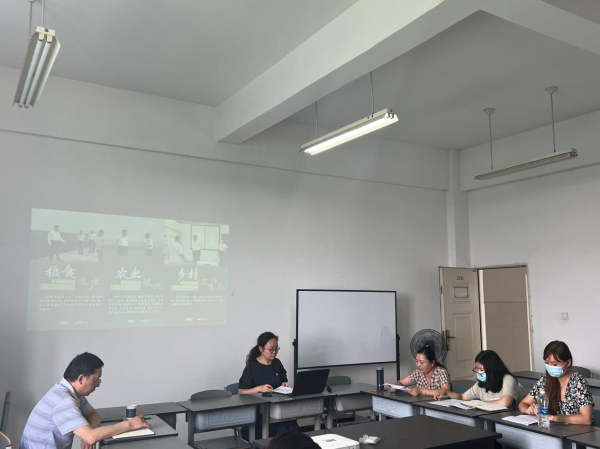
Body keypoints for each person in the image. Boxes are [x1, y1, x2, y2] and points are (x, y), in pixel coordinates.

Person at [20, 352, 150, 449]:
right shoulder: (63, 401)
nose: (98, 384)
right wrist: (130, 424)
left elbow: (93, 415)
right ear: (81, 378)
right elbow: (91, 436)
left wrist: (88, 434)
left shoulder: (71, 393)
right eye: (96, 379)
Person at [518, 341, 594, 425]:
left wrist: (553, 417)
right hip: (554, 429)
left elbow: (586, 419)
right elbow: (523, 404)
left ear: (568, 363)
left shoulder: (578, 381)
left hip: (578, 431)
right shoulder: (545, 380)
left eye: (554, 364)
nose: (550, 367)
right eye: (547, 363)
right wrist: (528, 409)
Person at [239, 332, 297, 439]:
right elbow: (241, 392)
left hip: (278, 408)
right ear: (261, 349)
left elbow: (283, 381)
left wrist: (284, 384)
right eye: (271, 349)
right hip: (259, 413)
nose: (274, 352)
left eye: (276, 348)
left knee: (292, 428)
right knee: (285, 432)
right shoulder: (252, 367)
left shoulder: (277, 363)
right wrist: (259, 388)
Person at [432, 350, 522, 408]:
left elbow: (506, 402)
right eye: (477, 369)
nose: (478, 372)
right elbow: (463, 397)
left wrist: (478, 404)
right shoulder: (481, 384)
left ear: (492, 369)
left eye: (481, 370)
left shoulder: (508, 379)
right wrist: (446, 393)